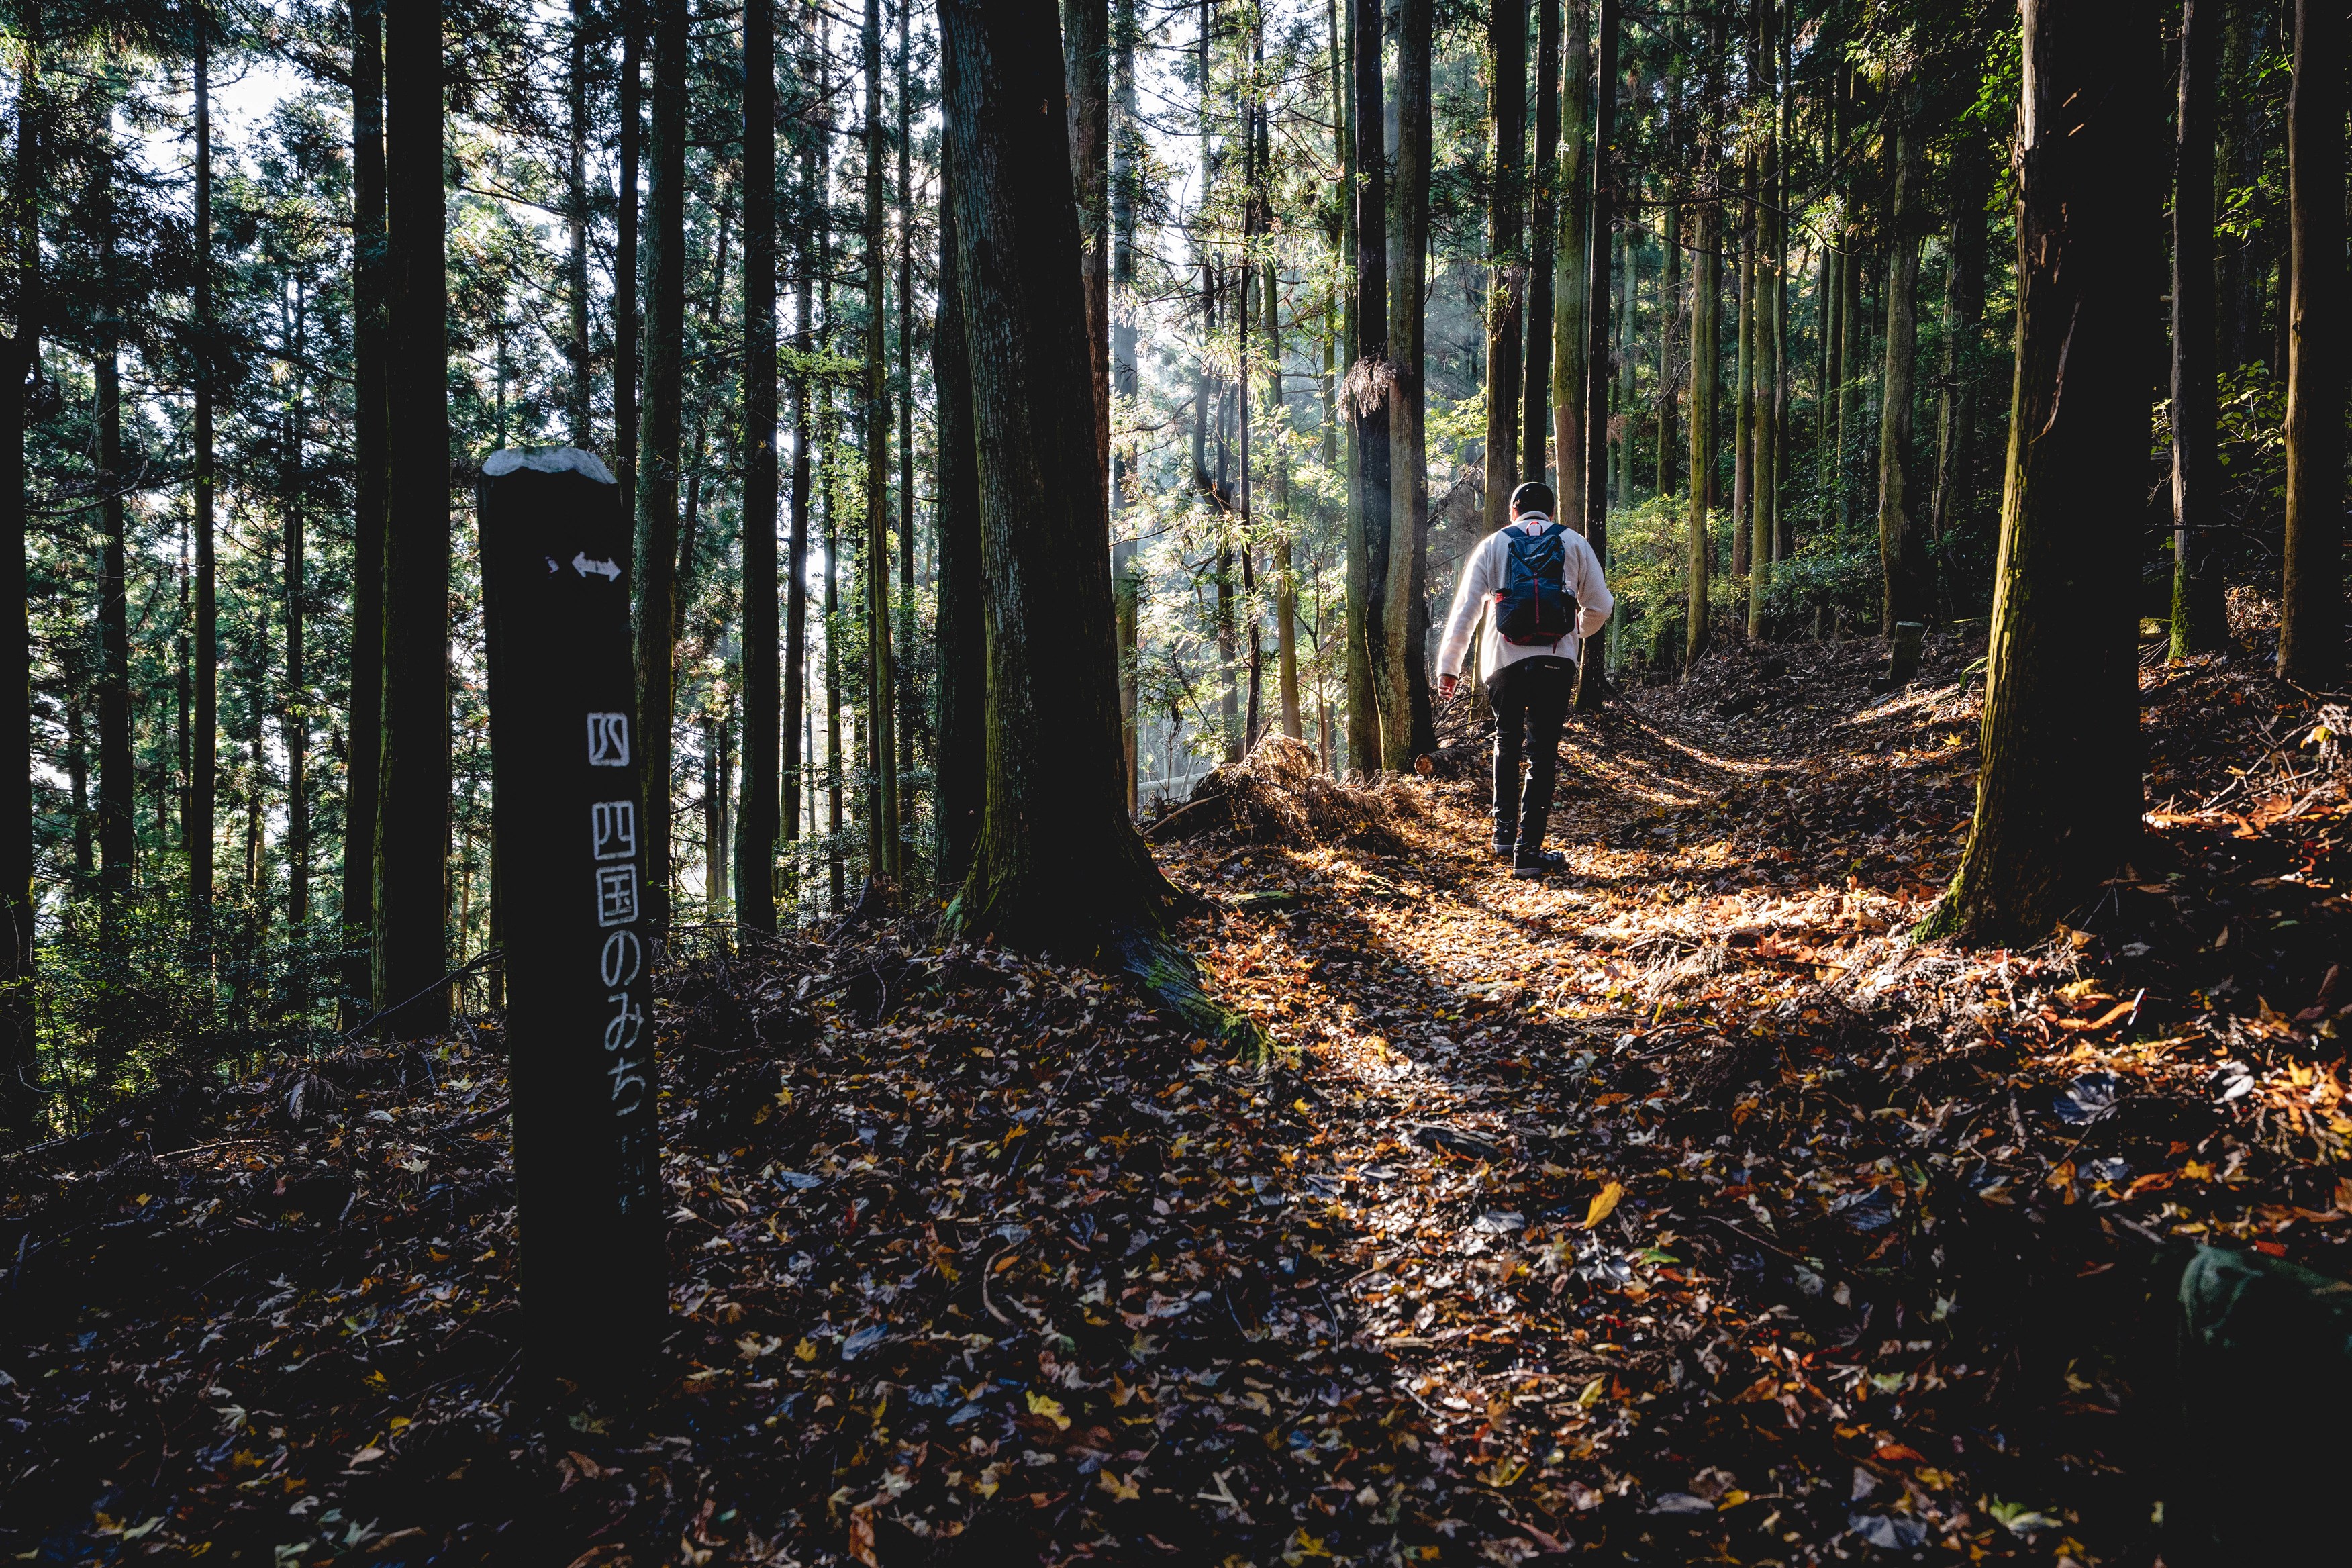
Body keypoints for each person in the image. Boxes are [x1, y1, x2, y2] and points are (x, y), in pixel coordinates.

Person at [1436, 480, 1612, 878]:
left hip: (1503, 662)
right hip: (1555, 662)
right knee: (1543, 749)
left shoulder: (1493, 545)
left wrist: (1449, 667)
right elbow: (1600, 605)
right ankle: (1529, 850)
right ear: (1551, 512)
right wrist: (1574, 631)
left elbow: (1466, 611)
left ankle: (1502, 837)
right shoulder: (1575, 543)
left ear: (1513, 511)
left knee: (1506, 740)